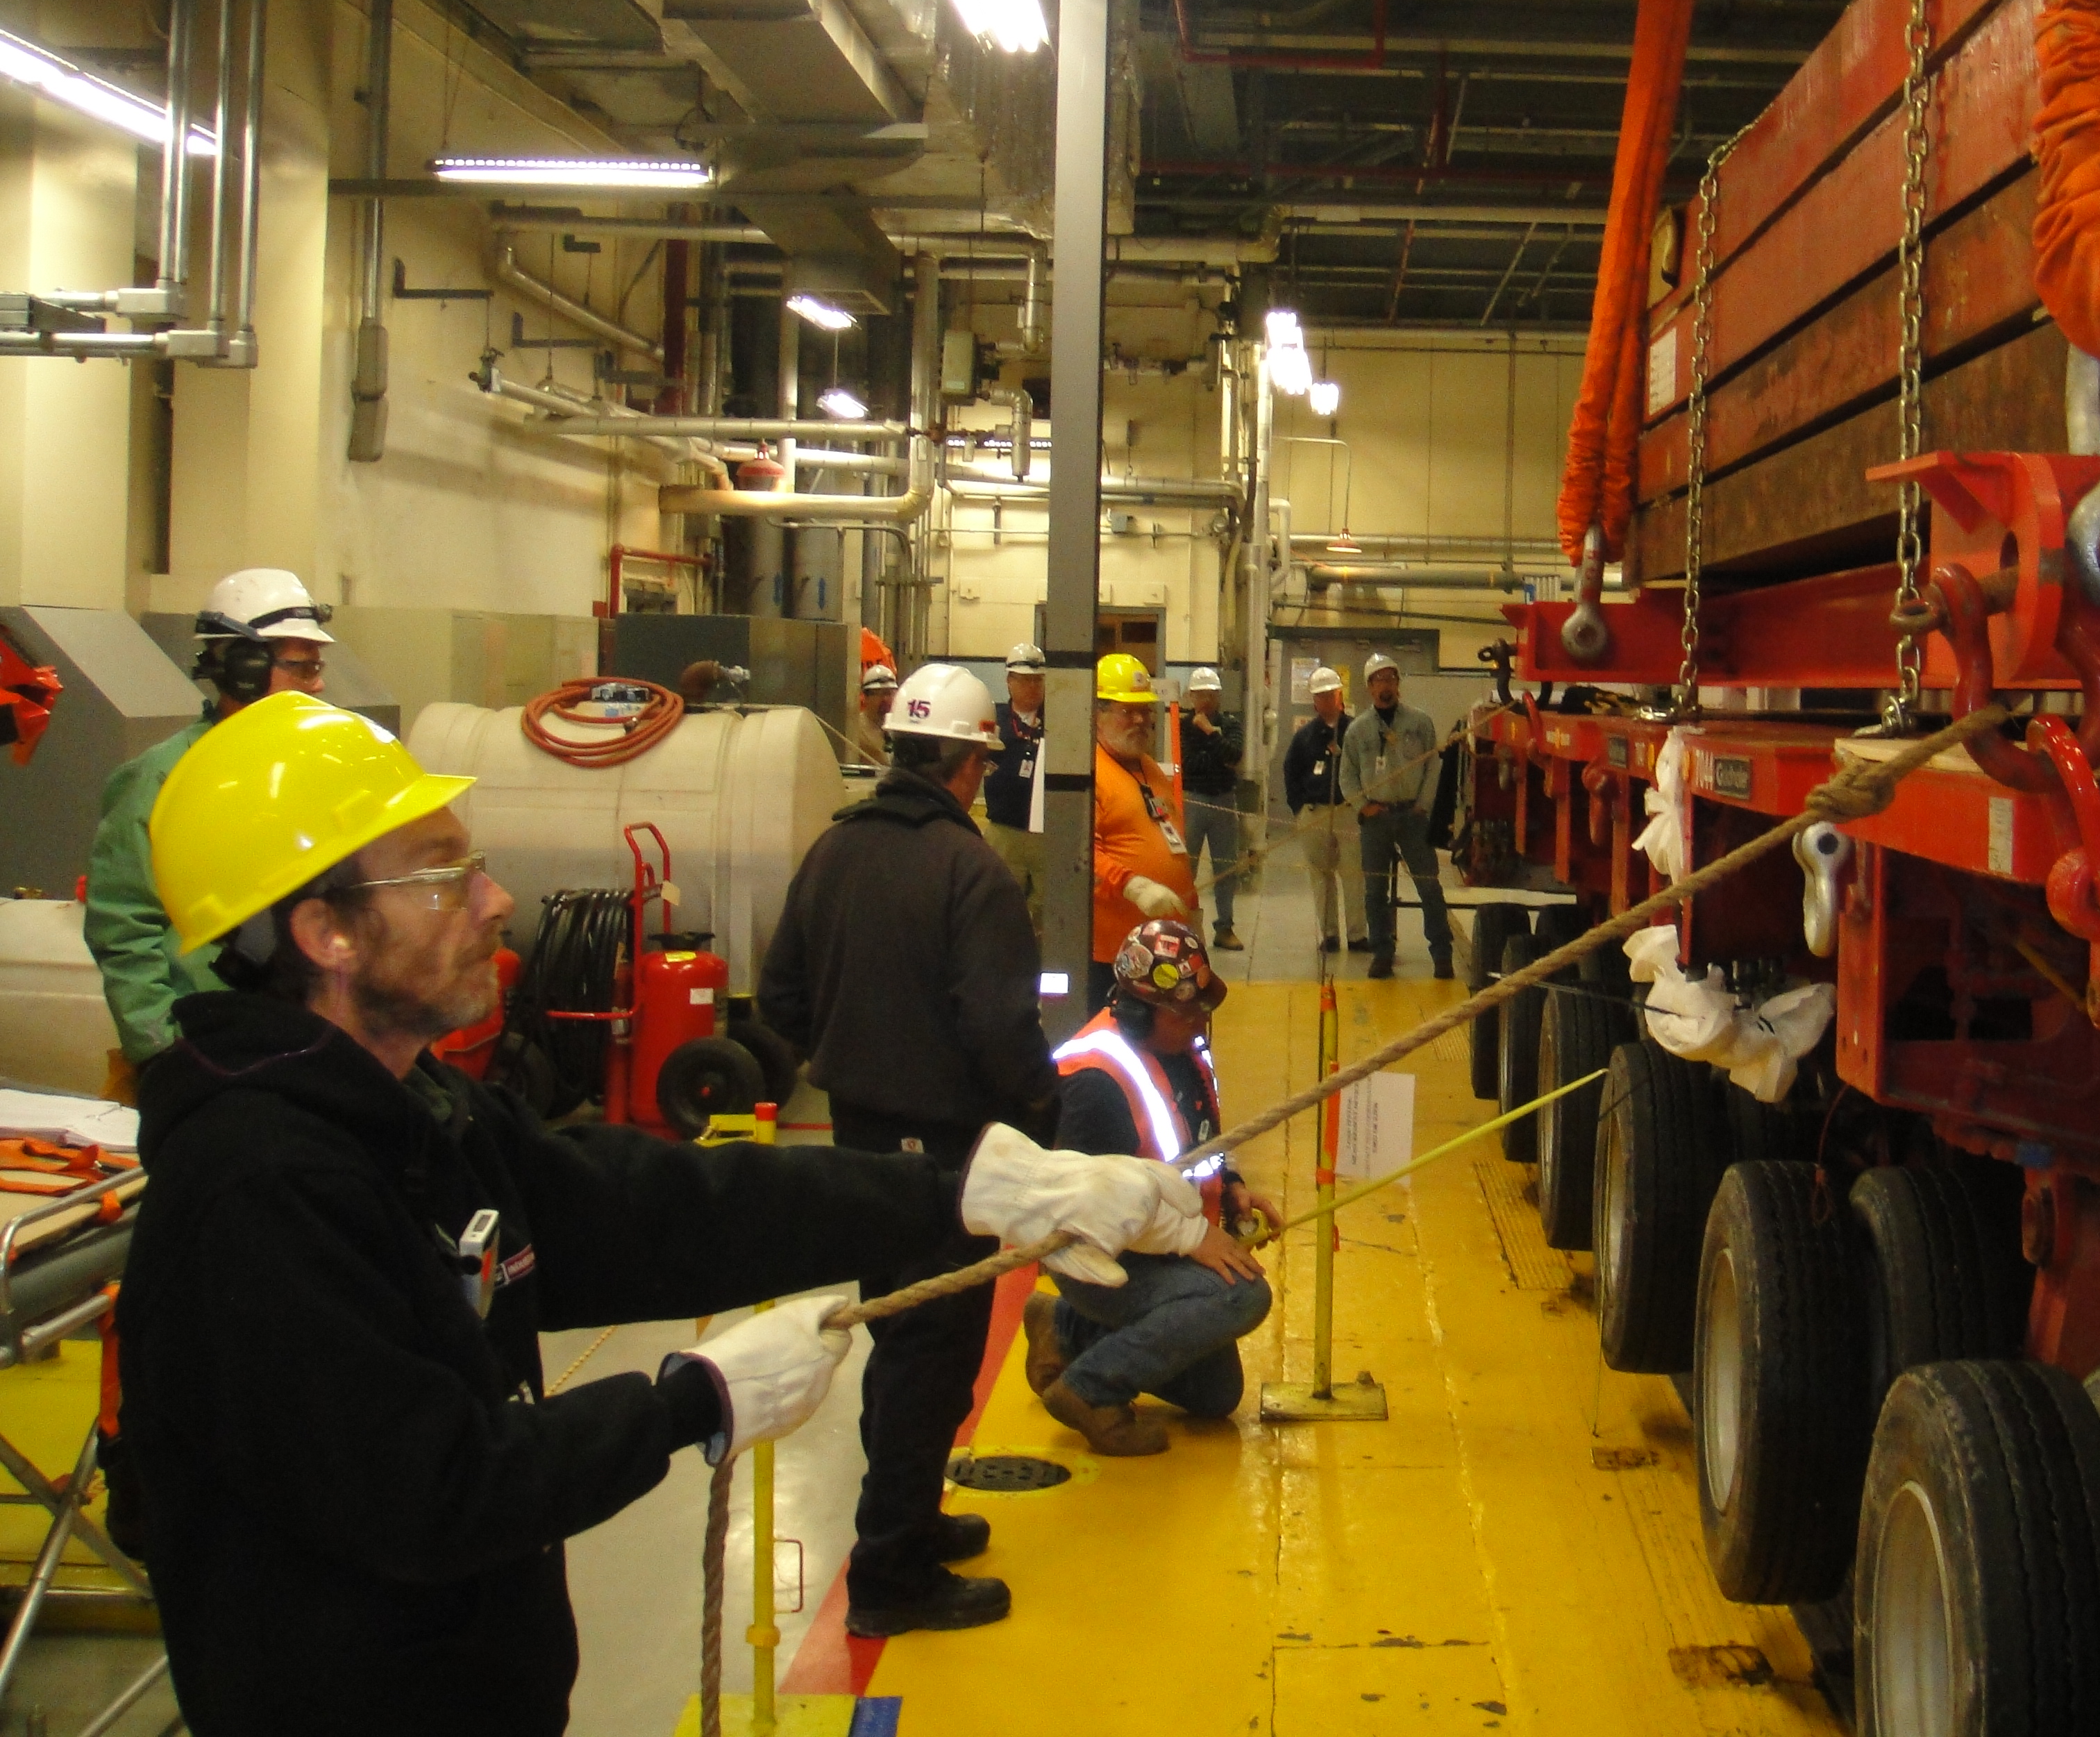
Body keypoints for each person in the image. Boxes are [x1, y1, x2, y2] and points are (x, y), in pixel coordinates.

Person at [119, 691, 1200, 1737]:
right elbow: (431, 1490)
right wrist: (692, 1402)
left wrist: (967, 1196)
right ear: (327, 933)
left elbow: (658, 1210)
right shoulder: (256, 1192)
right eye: (446, 876)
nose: (494, 902)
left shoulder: (417, 1114)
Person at [758, 661, 1057, 1638]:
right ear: (969, 764)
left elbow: (780, 998)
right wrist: (1040, 1112)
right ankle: (891, 1574)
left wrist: (853, 1060)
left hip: (859, 1139)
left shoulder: (833, 851)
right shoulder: (970, 871)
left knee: (898, 1339)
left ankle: (911, 1519)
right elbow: (1001, 1027)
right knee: (932, 1354)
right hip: (947, 1156)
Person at [1025, 921, 1279, 1454]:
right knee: (1243, 1295)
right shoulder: (1097, 1082)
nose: (1199, 1022)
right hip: (1102, 1261)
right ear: (1139, 1012)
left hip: (1160, 1251)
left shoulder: (1183, 1049)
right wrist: (1193, 1239)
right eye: (1185, 1014)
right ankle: (1088, 1391)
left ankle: (1065, 1330)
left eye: (1202, 1010)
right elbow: (1093, 1209)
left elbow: (1199, 1136)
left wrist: (1231, 1186)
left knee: (1216, 1394)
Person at [84, 567, 332, 1092]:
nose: (318, 684)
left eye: (317, 666)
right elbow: (123, 928)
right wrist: (162, 1051)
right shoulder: (163, 778)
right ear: (245, 670)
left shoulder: (312, 769)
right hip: (205, 1046)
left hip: (299, 1037)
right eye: (303, 666)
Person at [1090, 652, 1198, 1007]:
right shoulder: (1089, 774)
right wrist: (1134, 886)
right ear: (1097, 714)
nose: (1140, 720)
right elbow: (1080, 856)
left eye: (1145, 711)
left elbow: (1173, 839)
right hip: (1112, 955)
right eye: (1128, 711)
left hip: (1162, 949)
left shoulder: (1149, 768)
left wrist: (1192, 908)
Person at [1340, 653, 1453, 980]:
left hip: (1412, 816)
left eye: (1390, 678)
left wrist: (1423, 805)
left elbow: (1433, 767)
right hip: (1376, 820)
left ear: (1398, 683)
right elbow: (1347, 775)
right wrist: (1362, 806)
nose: (1385, 685)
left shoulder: (1420, 723)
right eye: (1379, 680)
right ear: (1369, 687)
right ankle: (1382, 953)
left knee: (1429, 887)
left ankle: (1442, 954)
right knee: (1375, 891)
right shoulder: (1358, 731)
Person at [1282, 665, 1363, 954]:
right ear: (1314, 701)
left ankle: (1357, 935)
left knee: (1354, 875)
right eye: (1321, 696)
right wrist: (1300, 810)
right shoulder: (1304, 736)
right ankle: (1329, 934)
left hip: (1348, 811)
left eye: (1330, 694)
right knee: (1321, 875)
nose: (1326, 700)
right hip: (1315, 813)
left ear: (1339, 695)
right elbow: (1291, 772)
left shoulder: (1356, 731)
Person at [982, 641, 1048, 933]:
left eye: (1038, 681)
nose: (1032, 687)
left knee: (1046, 914)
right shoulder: (993, 719)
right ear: (1009, 681)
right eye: (1025, 680)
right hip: (1004, 831)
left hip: (1046, 835)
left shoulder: (1057, 721)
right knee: (1000, 911)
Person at [1179, 665, 1245, 950]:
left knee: (1226, 868)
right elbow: (1188, 764)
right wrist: (1217, 754)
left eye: (1210, 694)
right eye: (1200, 695)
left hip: (1224, 801)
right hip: (1192, 800)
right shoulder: (1182, 726)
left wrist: (1209, 733)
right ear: (1191, 697)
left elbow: (1235, 756)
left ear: (1219, 696)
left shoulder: (1231, 724)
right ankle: (1182, 924)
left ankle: (1225, 927)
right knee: (1186, 867)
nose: (1205, 700)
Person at [849, 660, 898, 766]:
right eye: (880, 694)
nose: (886, 699)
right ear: (866, 697)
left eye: (890, 693)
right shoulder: (855, 730)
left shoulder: (898, 727)